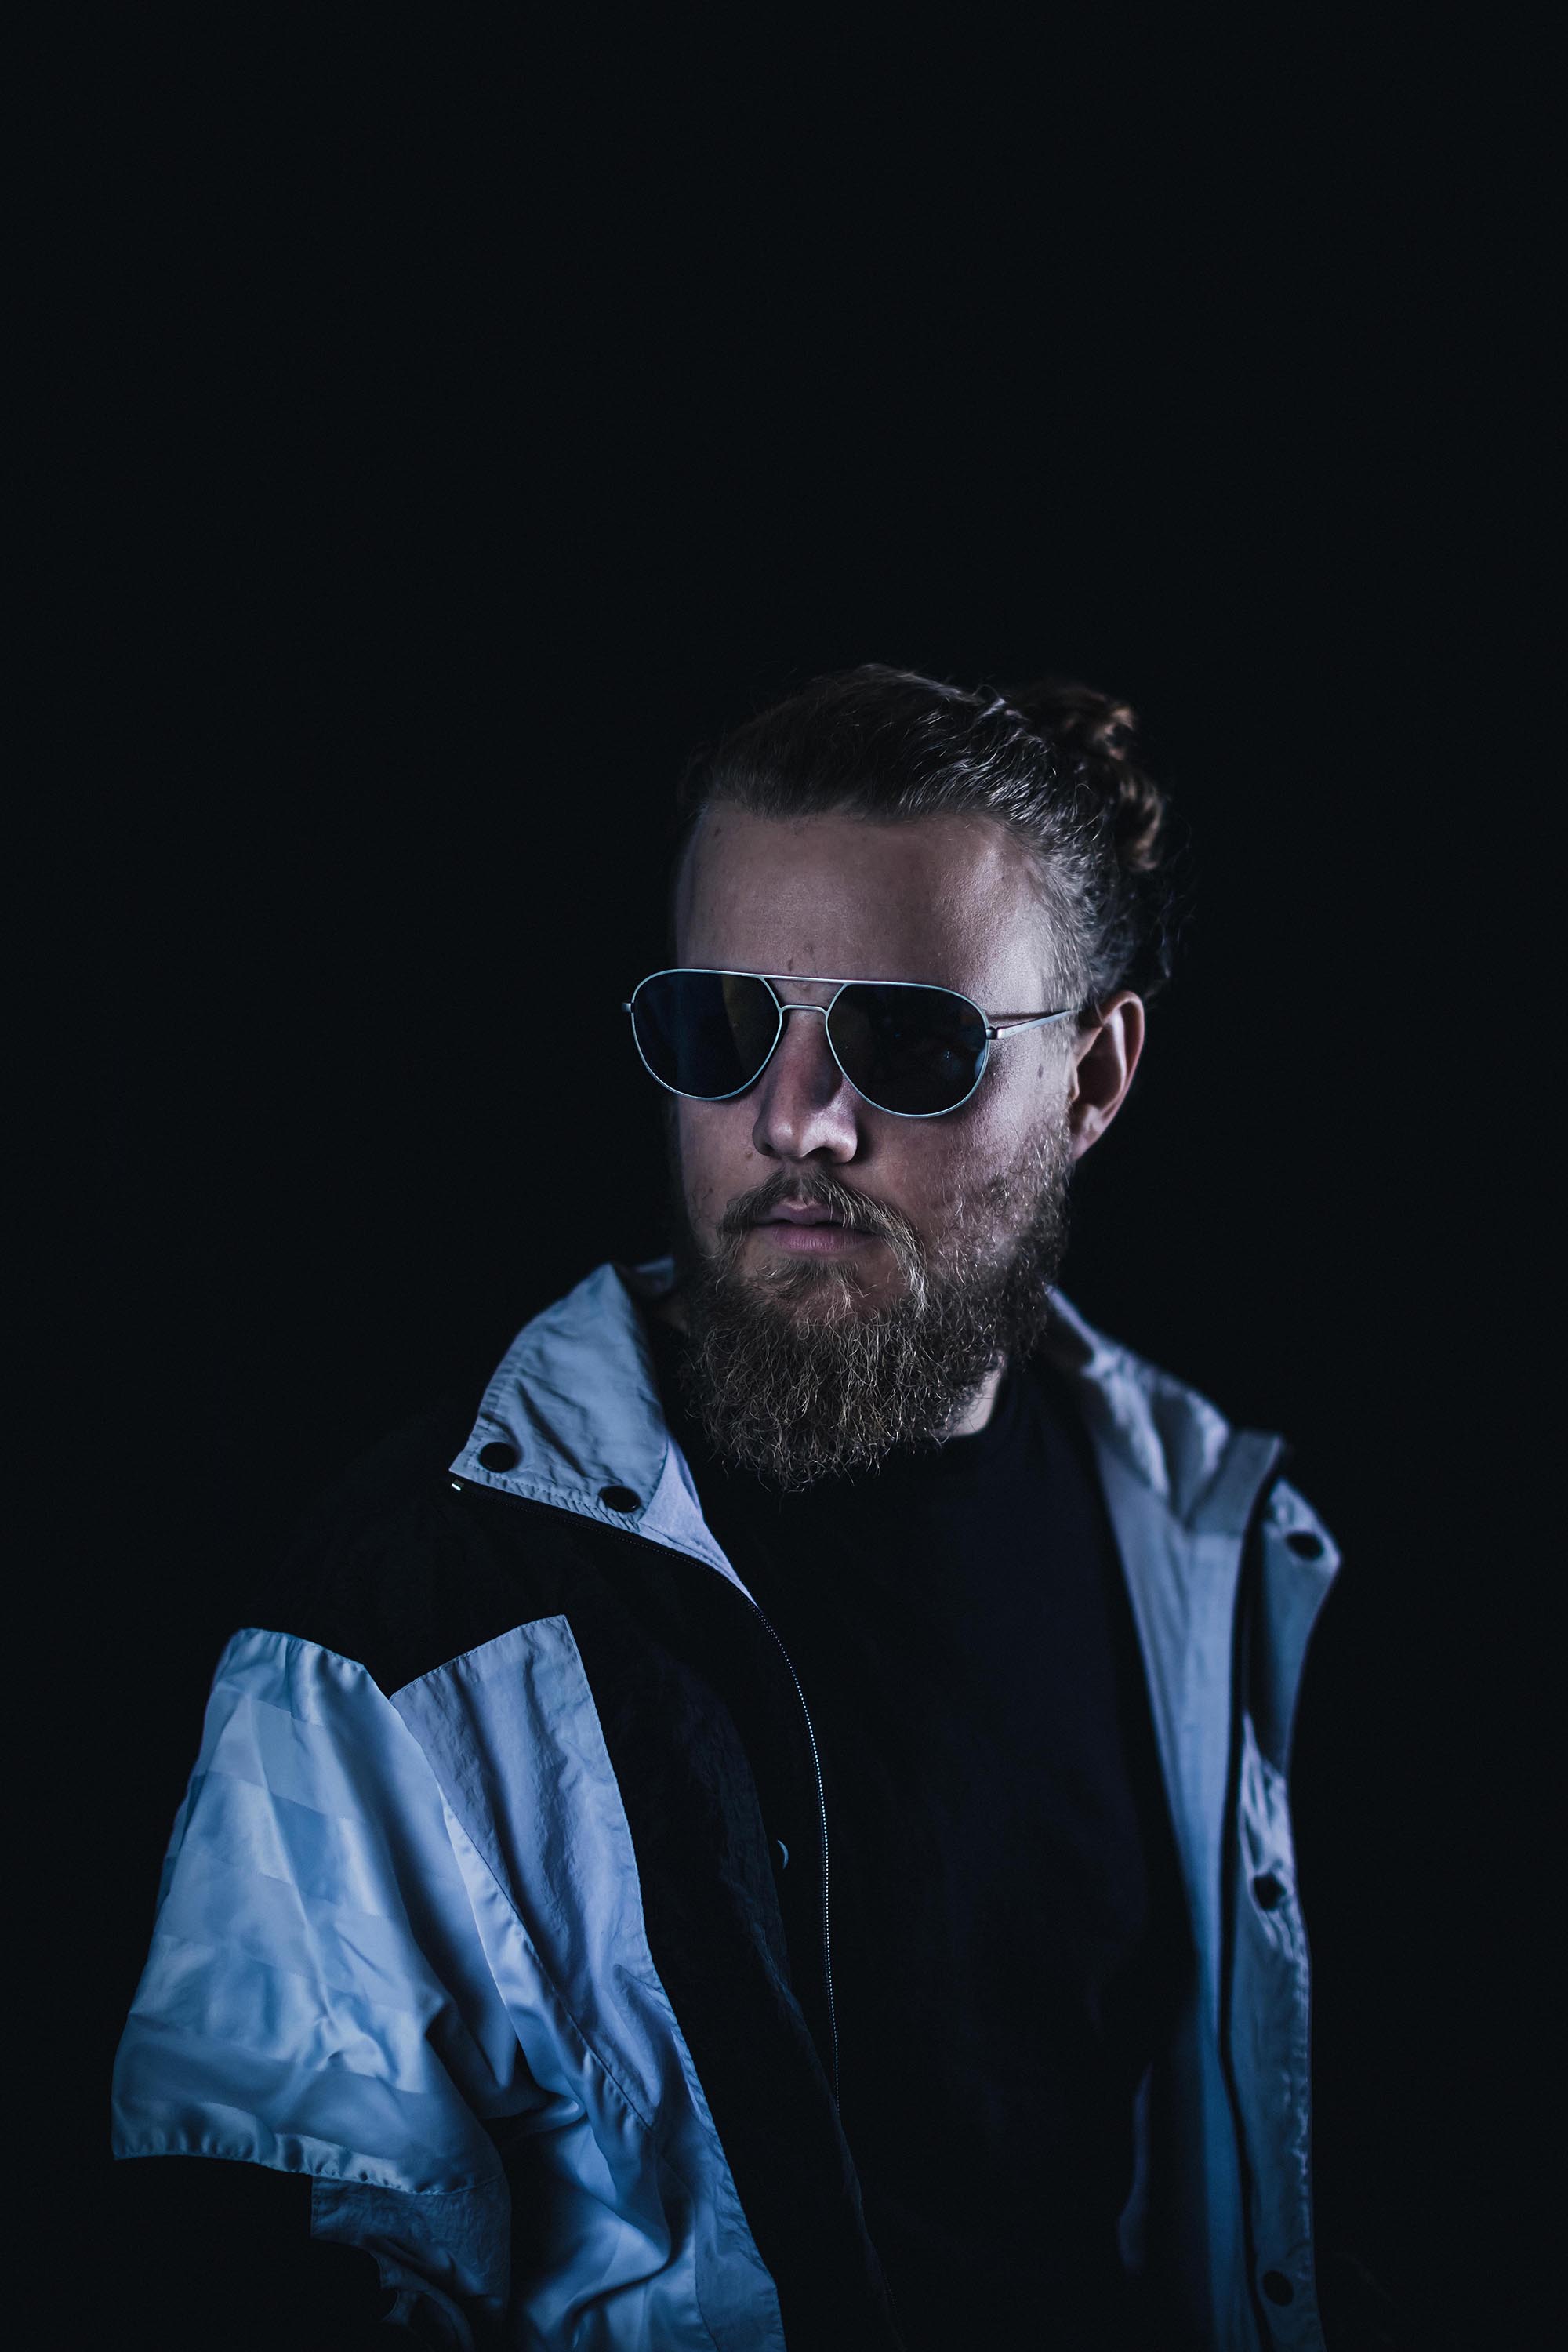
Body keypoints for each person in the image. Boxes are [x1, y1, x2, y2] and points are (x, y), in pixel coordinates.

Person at [111, 666, 1339, 2350]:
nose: (793, 1120)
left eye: (911, 1041)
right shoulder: (409, 1619)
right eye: (724, 1028)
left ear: (1094, 1077)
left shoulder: (1200, 1538)